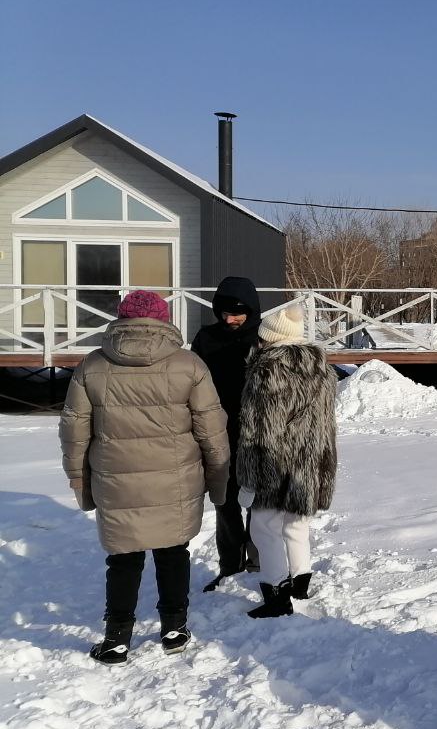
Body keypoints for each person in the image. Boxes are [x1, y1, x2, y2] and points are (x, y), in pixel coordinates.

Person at [59, 291, 229, 665]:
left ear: (121, 321)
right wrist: (218, 481)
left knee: (123, 559)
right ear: (164, 322)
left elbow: (75, 431)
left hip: (117, 480)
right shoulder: (189, 365)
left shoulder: (93, 365)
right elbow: (212, 432)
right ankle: (174, 629)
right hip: (176, 480)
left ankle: (117, 638)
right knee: (173, 553)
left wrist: (79, 480)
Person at [237, 304, 337, 618]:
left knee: (264, 528)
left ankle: (276, 595)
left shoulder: (266, 369)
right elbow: (326, 422)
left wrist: (249, 477)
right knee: (297, 524)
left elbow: (255, 429)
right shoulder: (321, 367)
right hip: (309, 461)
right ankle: (301, 582)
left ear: (267, 338)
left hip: (272, 464)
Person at [191, 276, 261, 591]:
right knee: (225, 501)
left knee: (260, 502)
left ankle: (261, 565)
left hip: (257, 435)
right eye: (225, 312)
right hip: (217, 433)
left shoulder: (262, 341)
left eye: (238, 312)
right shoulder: (206, 338)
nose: (230, 319)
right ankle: (229, 566)